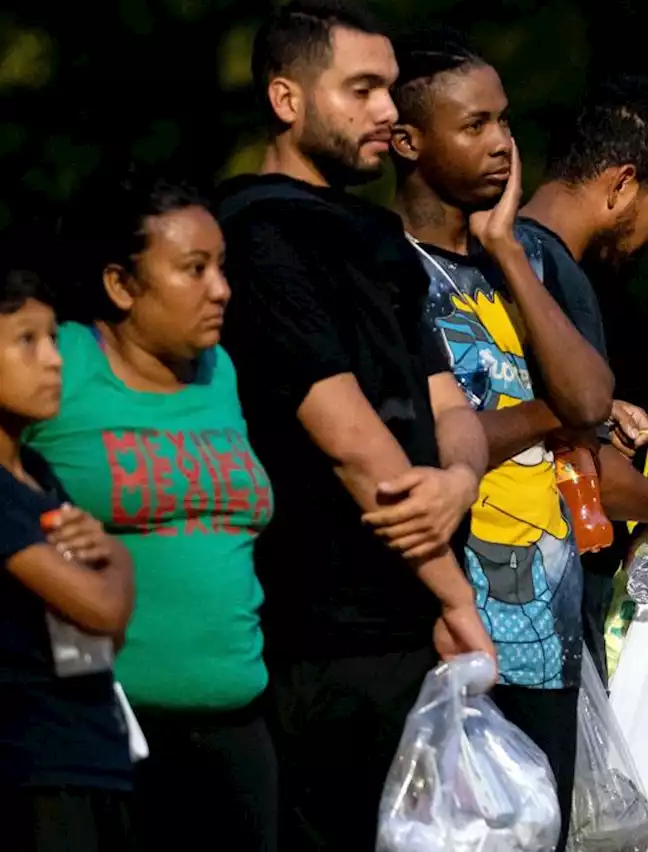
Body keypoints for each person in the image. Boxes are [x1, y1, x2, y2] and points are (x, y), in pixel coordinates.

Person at [215, 3, 490, 849]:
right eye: (362, 90)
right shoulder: (257, 234)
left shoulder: (375, 234)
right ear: (287, 99)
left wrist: (462, 481)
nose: (387, 112)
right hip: (318, 630)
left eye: (390, 91)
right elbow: (346, 437)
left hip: (410, 620)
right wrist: (459, 600)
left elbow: (448, 402)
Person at [387, 32, 611, 851]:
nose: (501, 143)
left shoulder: (526, 263)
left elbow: (590, 397)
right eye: (474, 124)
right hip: (447, 640)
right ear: (408, 142)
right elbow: (428, 439)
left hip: (547, 641)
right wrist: (552, 415)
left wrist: (508, 249)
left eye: (505, 122)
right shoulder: (387, 272)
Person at [26, 174, 277, 852]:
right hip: (104, 737)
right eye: (194, 269)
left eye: (221, 267)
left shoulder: (219, 369)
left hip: (236, 732)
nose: (220, 288)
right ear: (120, 285)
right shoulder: (61, 361)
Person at [517, 73, 648, 678]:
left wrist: (601, 408)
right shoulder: (558, 280)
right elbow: (592, 471)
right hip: (538, 621)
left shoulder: (504, 255)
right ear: (622, 184)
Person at [0, 265, 136, 852]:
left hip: (89, 753)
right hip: (31, 766)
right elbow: (102, 610)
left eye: (53, 338)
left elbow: (106, 633)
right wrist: (117, 556)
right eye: (25, 341)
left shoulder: (37, 475)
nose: (53, 359)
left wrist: (108, 556)